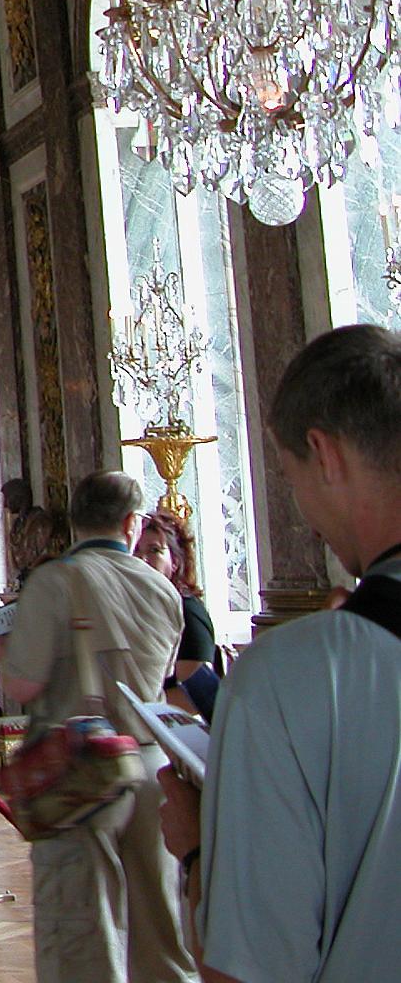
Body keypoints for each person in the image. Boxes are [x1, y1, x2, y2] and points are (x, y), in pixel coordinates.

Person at [156, 324, 401, 983]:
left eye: (290, 478)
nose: (302, 509)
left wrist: (197, 851)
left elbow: (247, 970)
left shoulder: (286, 676)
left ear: (323, 453)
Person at [0, 470, 191, 983]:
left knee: (84, 930)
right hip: (151, 767)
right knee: (161, 925)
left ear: (75, 520)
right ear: (131, 523)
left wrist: (3, 652)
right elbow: (162, 675)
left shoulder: (54, 582)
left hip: (82, 766)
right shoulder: (163, 590)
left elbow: (22, 684)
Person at [135, 509, 222, 719]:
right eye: (136, 550)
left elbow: (195, 695)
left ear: (174, 562)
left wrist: (139, 707)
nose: (142, 559)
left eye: (155, 550)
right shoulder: (131, 607)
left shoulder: (188, 610)